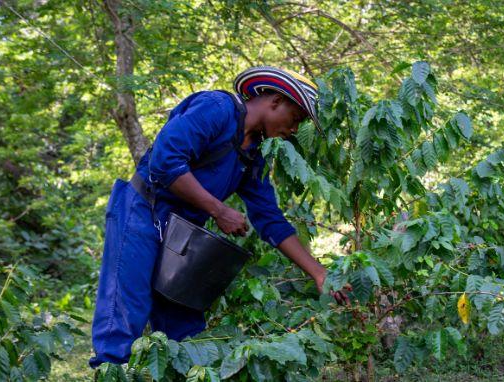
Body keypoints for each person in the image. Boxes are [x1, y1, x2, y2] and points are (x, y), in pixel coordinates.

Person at [89, 66, 350, 367]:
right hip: (141, 211)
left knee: (185, 331)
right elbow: (165, 161)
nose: (294, 129)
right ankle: (109, 372)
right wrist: (219, 209)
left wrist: (319, 273)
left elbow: (270, 220)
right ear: (275, 101)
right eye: (296, 119)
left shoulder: (254, 155)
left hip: (183, 234)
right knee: (123, 312)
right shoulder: (217, 109)